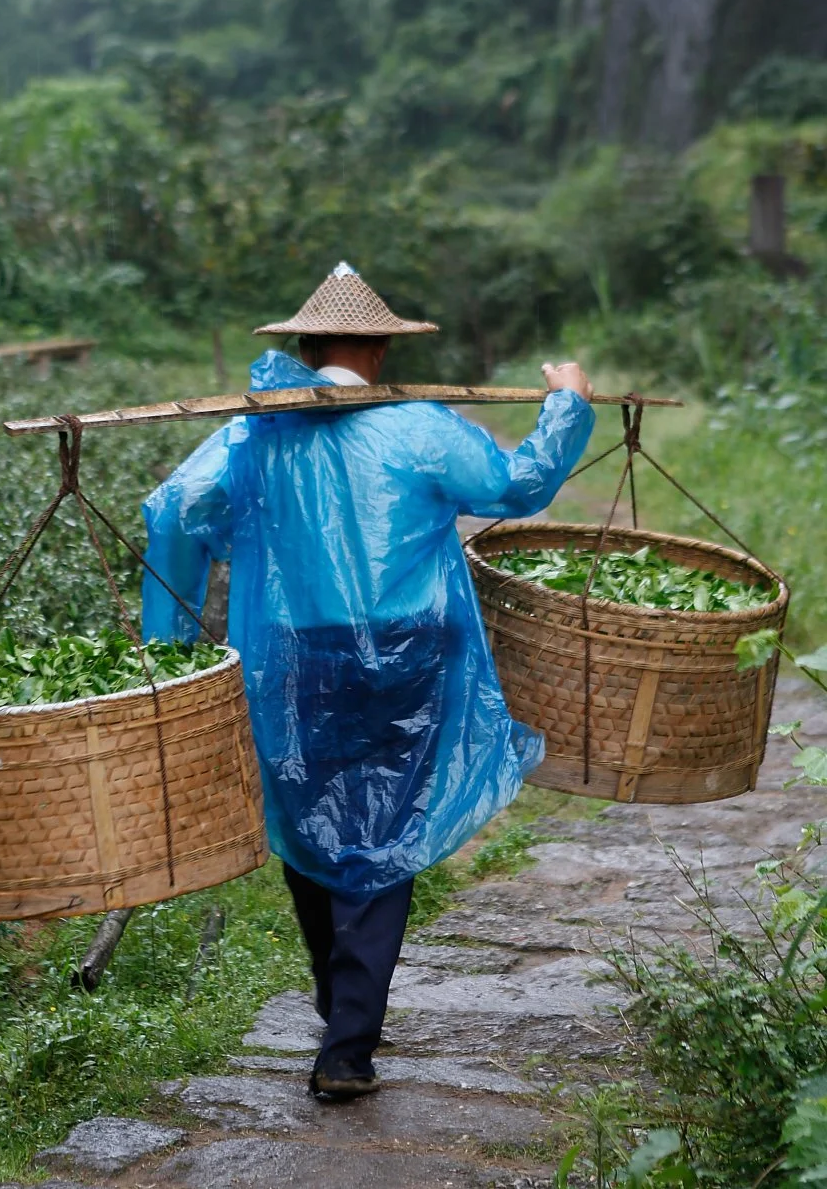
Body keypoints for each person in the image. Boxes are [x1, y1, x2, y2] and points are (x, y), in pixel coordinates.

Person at [142, 262, 594, 1100]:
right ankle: (347, 1041)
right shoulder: (421, 427)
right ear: (382, 348)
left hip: (294, 661)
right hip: (410, 656)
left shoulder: (252, 432)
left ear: (306, 347)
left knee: (305, 810)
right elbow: (519, 483)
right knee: (387, 832)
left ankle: (340, 1008)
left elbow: (174, 509)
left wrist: (166, 652)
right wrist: (567, 400)